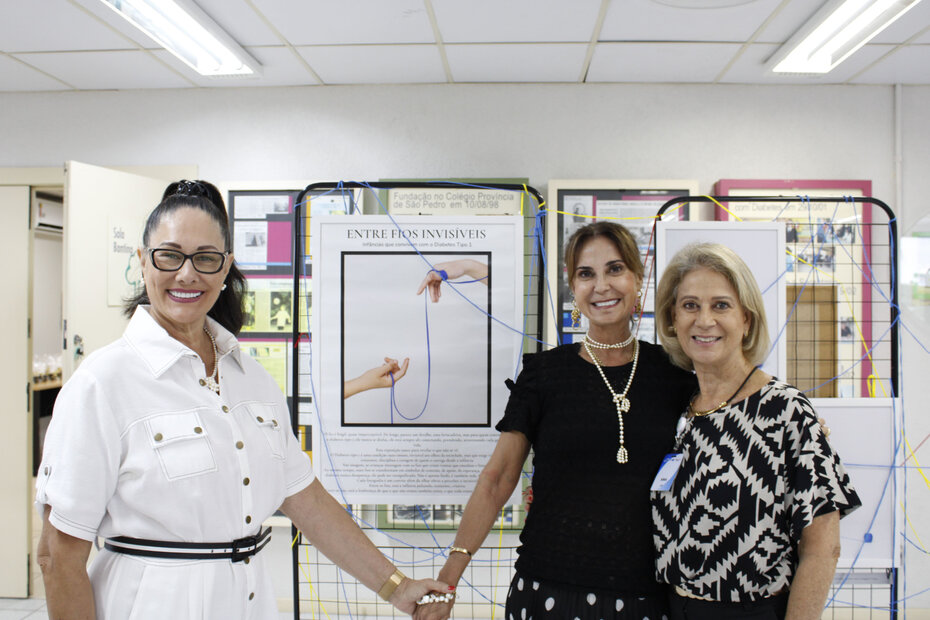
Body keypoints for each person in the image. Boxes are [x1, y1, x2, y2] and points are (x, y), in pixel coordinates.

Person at [35, 180, 447, 619]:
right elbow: (57, 556)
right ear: (142, 260)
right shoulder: (102, 383)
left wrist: (397, 588)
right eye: (169, 255)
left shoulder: (251, 379)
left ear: (226, 267)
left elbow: (306, 501)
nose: (187, 274)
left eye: (206, 258)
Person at [415, 221, 698, 620]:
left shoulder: (676, 376)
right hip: (546, 591)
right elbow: (497, 479)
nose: (601, 286)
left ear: (637, 278)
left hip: (645, 596)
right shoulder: (543, 375)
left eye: (615, 269)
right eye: (586, 274)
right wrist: (447, 580)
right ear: (573, 288)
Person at [651, 242, 861, 620]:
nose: (704, 320)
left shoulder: (785, 411)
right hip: (672, 606)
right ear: (672, 318)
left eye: (721, 305)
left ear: (747, 319)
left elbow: (822, 548)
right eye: (690, 305)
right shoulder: (678, 408)